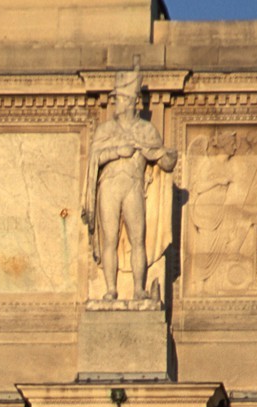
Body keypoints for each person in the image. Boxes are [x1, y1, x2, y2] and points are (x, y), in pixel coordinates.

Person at [80, 63, 177, 302]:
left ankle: (138, 289)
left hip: (134, 186)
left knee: (138, 238)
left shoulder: (146, 131)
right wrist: (117, 151)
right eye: (116, 99)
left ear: (132, 101)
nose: (117, 104)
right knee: (109, 239)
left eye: (121, 99)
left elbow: (164, 162)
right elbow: (95, 158)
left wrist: (167, 156)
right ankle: (111, 289)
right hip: (109, 186)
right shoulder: (106, 130)